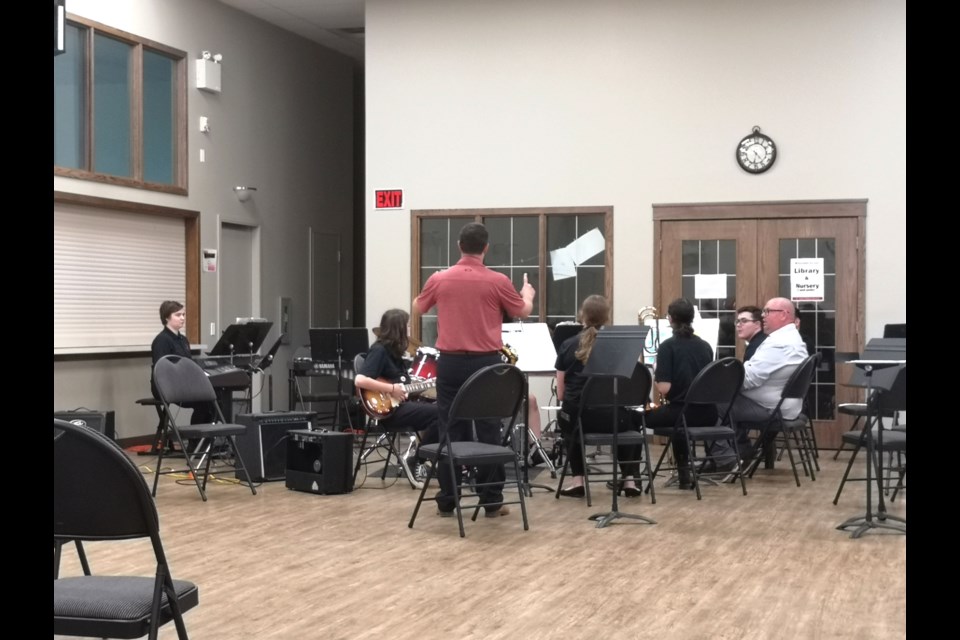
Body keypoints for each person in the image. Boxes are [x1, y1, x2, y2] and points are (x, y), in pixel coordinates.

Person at [414, 222, 535, 517]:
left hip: (451, 363)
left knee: (449, 427)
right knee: (488, 429)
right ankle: (491, 499)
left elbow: (418, 307)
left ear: (459, 245)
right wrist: (527, 293)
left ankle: (447, 498)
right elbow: (522, 311)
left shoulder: (440, 278)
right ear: (485, 248)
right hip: (487, 365)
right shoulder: (497, 280)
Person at [555, 295, 644, 498]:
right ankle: (629, 480)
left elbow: (561, 394)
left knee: (568, 421)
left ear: (582, 315)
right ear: (607, 317)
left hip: (581, 420)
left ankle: (578, 481)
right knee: (630, 420)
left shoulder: (568, 345)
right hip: (614, 418)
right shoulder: (619, 346)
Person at [713, 296, 808, 468]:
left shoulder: (778, 344)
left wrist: (720, 381)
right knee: (722, 400)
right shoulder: (790, 338)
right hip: (782, 405)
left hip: (770, 408)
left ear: (784, 314)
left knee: (709, 404)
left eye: (768, 311)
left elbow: (748, 380)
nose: (763, 315)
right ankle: (740, 452)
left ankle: (725, 461)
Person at [642, 298, 716, 489]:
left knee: (641, 417)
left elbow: (664, 389)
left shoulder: (668, 346)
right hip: (708, 414)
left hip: (682, 414)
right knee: (677, 422)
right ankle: (683, 473)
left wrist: (658, 370)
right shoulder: (705, 346)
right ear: (692, 319)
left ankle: (632, 475)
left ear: (670, 319)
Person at [354, 309, 439, 450]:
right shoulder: (379, 350)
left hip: (399, 406)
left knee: (444, 411)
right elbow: (360, 380)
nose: (409, 329)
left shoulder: (394, 352)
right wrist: (393, 389)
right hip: (390, 413)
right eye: (407, 325)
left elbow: (400, 385)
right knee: (440, 414)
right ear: (398, 328)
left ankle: (429, 458)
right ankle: (421, 458)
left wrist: (411, 389)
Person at [150, 300, 214, 425]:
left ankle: (207, 440)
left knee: (215, 399)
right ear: (166, 317)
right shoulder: (161, 340)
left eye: (183, 315)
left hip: (182, 384)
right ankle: (195, 440)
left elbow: (187, 365)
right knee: (204, 402)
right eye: (178, 315)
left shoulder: (183, 339)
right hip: (166, 386)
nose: (182, 318)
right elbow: (161, 370)